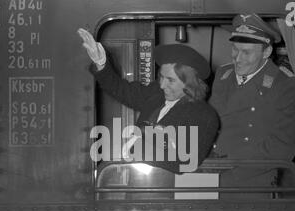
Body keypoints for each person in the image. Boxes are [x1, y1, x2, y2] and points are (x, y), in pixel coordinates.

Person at [78, 28, 219, 174]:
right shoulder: (156, 94)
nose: (163, 85)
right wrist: (100, 62)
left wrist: (139, 142)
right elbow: (121, 89)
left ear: (189, 82)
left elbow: (185, 161)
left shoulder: (204, 116)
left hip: (168, 191)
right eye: (162, 77)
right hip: (137, 184)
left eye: (170, 80)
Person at [209, 13, 295, 198]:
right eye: (235, 49)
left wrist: (229, 169)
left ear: (266, 52)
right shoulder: (223, 74)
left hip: (250, 185)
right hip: (208, 175)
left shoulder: (283, 85)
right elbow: (211, 123)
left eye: (246, 52)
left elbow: (281, 147)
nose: (237, 58)